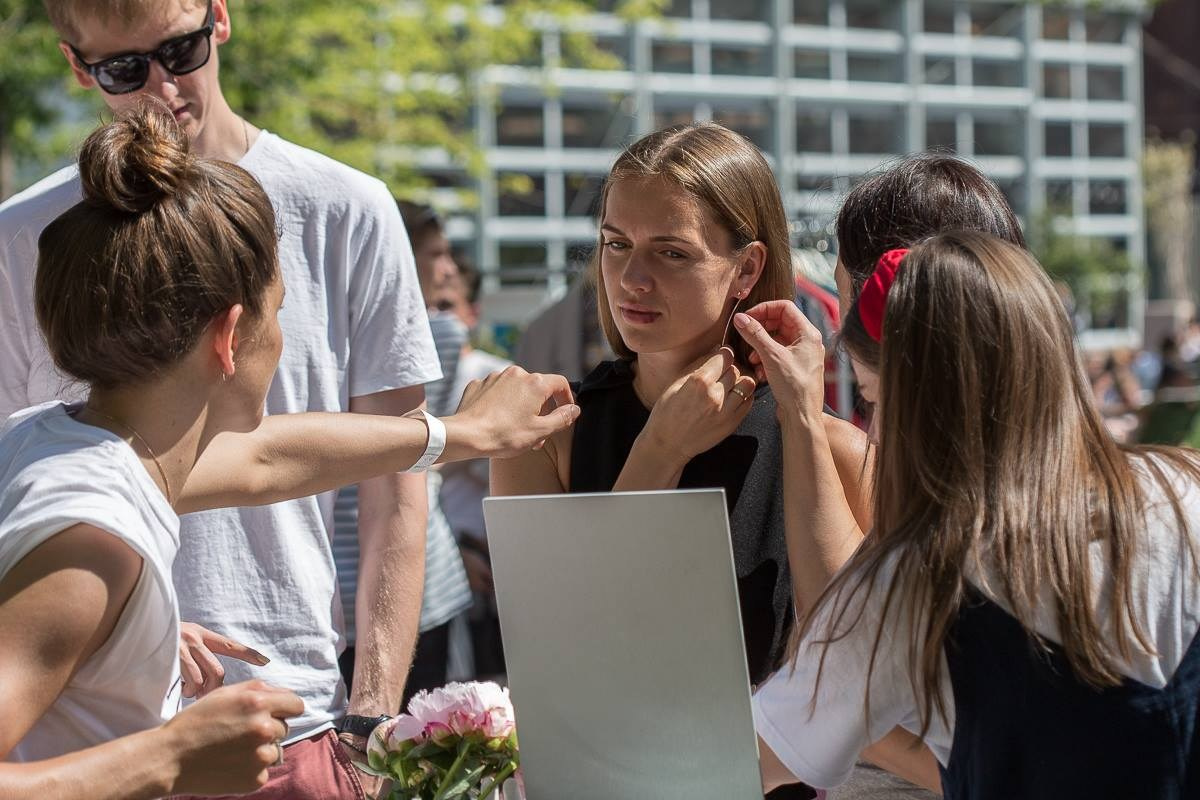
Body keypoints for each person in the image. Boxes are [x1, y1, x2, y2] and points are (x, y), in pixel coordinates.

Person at [0, 104, 577, 799]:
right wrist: (171, 756)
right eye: (281, 312)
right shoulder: (95, 540)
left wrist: (461, 434)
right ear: (230, 336)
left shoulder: (66, 441)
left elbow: (270, 458)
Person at [0, 2, 440, 793]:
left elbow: (344, 481)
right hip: (88, 732)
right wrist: (127, 625)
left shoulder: (347, 208)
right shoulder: (25, 237)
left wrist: (371, 725)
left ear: (220, 21)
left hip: (296, 719)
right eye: (125, 69)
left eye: (182, 49)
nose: (166, 87)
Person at [491, 122, 872, 800]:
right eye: (615, 244)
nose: (631, 278)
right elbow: (557, 660)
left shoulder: (831, 449)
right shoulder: (546, 433)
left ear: (746, 269)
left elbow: (857, 667)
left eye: (671, 252)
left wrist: (803, 419)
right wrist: (657, 454)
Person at [743, 232, 1200, 798]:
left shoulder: (917, 576)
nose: (876, 432)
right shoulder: (1184, 488)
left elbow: (749, 757)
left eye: (875, 400)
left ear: (927, 406)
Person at [334, 201, 472, 706]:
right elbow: (427, 445)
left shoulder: (336, 338)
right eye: (435, 253)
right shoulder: (443, 332)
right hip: (420, 572)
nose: (449, 269)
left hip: (342, 570)